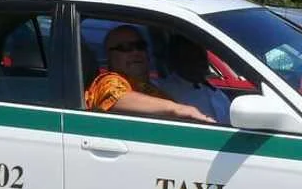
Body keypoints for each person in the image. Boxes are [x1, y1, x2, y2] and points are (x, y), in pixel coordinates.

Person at [85, 24, 214, 124]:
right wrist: (179, 109)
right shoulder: (108, 81)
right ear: (109, 56)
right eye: (125, 48)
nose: (135, 52)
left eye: (140, 46)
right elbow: (116, 98)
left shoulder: (154, 88)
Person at [157, 35, 232, 125]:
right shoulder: (164, 91)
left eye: (203, 54)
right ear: (178, 58)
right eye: (193, 53)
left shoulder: (213, 91)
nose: (203, 60)